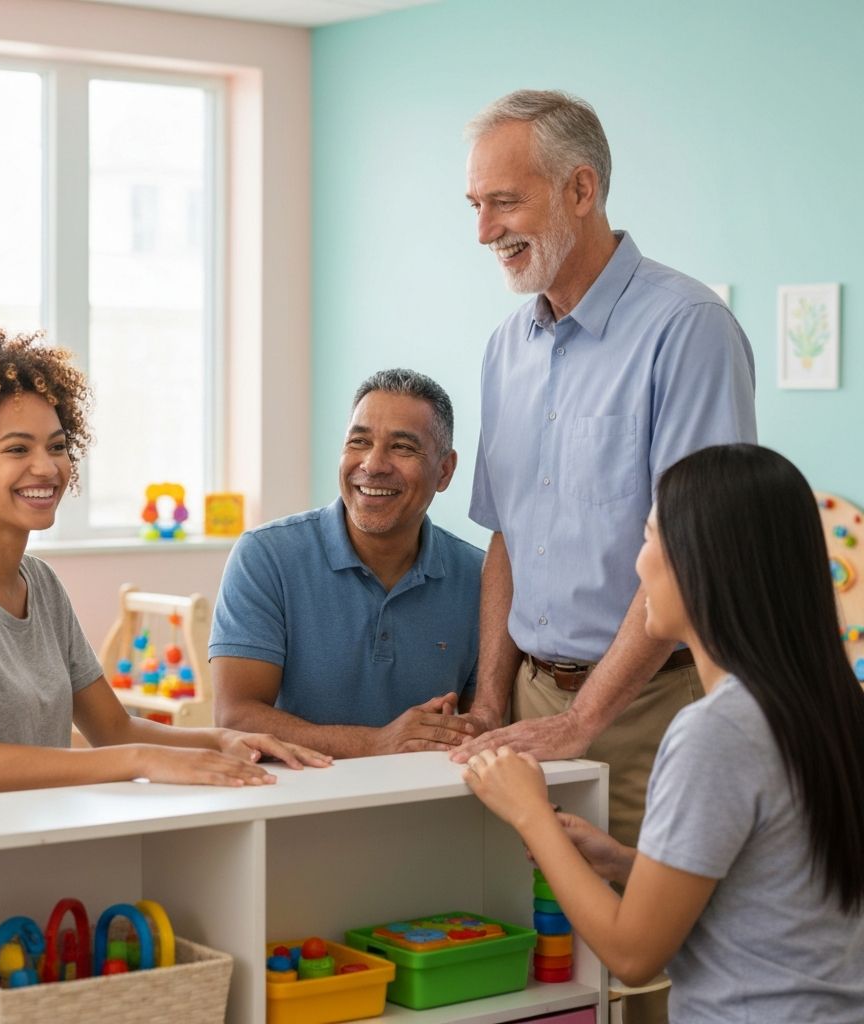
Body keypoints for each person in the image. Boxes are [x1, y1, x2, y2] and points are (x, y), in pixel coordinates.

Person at [452, 90, 757, 852]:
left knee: (637, 959)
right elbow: (505, 537)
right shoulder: (504, 349)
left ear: (581, 190)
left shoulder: (689, 331)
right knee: (535, 955)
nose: (486, 231)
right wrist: (491, 701)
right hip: (528, 706)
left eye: (505, 203)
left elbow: (694, 553)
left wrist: (584, 720)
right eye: (475, 206)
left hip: (650, 707)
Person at [464, 443, 864, 1023]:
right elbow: (779, 887)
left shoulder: (717, 731)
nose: (638, 565)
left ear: (701, 564)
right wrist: (629, 864)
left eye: (649, 540)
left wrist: (528, 813)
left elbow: (633, 953)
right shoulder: (833, 704)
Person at [0, 328, 330, 803]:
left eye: (55, 446)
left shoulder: (42, 584)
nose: (48, 468)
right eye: (17, 449)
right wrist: (143, 761)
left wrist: (219, 740)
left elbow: (111, 727)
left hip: (24, 844)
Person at [211, 368, 483, 757]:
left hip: (427, 805)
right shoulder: (265, 556)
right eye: (359, 441)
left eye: (402, 447)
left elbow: (483, 723)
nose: (373, 464)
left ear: (444, 470)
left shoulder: (478, 576)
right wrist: (377, 743)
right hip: (293, 802)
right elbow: (236, 716)